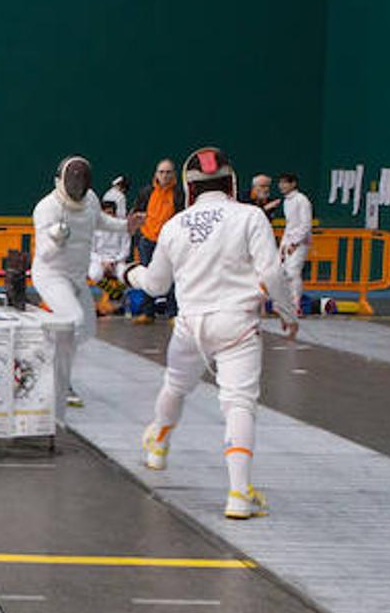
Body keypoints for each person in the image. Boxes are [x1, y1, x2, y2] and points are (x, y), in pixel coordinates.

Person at [124, 146, 296, 521]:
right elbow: (271, 273)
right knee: (238, 404)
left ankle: (158, 445)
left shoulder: (175, 225)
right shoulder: (250, 216)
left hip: (190, 325)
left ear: (190, 187)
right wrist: (287, 312)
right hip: (237, 323)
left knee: (176, 384)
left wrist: (126, 273)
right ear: (231, 182)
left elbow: (153, 285)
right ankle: (238, 494)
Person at [31, 156, 140, 406]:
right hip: (51, 275)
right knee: (74, 321)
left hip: (77, 277)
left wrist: (126, 227)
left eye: (82, 180)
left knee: (86, 330)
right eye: (73, 180)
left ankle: (50, 355)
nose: (78, 185)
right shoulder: (47, 208)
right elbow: (44, 254)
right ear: (61, 181)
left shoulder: (90, 199)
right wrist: (57, 239)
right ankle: (58, 379)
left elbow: (101, 221)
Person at [132, 158, 182, 324]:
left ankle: (173, 313)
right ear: (156, 174)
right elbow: (137, 213)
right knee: (147, 275)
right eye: (161, 172)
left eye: (168, 172)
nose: (165, 176)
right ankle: (148, 313)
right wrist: (140, 234)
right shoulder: (146, 192)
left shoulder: (178, 194)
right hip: (148, 240)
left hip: (169, 242)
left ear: (173, 174)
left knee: (172, 277)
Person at [276, 172, 313, 315]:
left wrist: (295, 243)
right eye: (280, 182)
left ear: (293, 184)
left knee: (293, 272)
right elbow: (290, 224)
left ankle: (296, 306)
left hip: (300, 243)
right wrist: (284, 244)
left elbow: (305, 224)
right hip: (288, 241)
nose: (281, 185)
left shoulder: (301, 200)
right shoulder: (287, 201)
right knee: (283, 272)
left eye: (285, 182)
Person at [89, 198, 133, 315]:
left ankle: (121, 303)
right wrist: (102, 262)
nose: (109, 216)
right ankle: (115, 293)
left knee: (124, 275)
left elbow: (126, 250)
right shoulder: (93, 228)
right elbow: (90, 251)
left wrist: (114, 261)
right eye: (106, 213)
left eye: (111, 213)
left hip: (117, 261)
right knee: (94, 274)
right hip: (99, 261)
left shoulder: (123, 227)